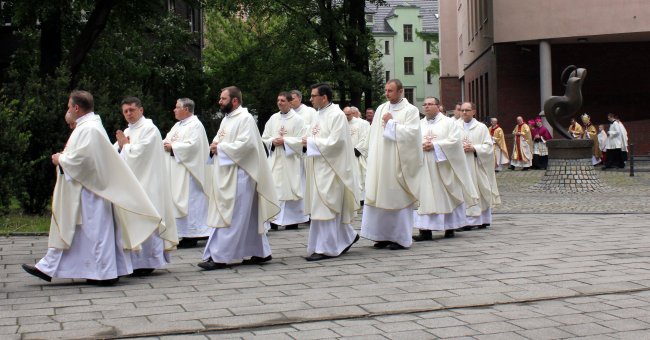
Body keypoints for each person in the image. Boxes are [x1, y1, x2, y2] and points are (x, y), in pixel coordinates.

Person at [22, 90, 161, 285]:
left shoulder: (90, 129)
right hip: (86, 189)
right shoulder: (87, 126)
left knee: (96, 233)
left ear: (76, 108)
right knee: (82, 233)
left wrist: (61, 158)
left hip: (92, 192)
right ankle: (52, 267)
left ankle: (104, 273)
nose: (68, 110)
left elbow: (84, 160)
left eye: (69, 106)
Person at [200, 86, 280, 270]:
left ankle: (221, 256)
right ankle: (261, 252)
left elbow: (248, 145)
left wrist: (219, 148)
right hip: (227, 173)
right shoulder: (227, 120)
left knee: (234, 215)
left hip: (242, 174)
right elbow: (220, 141)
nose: (219, 102)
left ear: (234, 100)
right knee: (248, 216)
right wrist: (214, 147)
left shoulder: (245, 118)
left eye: (223, 99)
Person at [114, 97, 178, 276]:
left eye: (131, 110)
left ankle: (149, 261)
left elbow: (141, 155)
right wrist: (121, 148)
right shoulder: (128, 130)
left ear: (141, 110)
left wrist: (125, 147)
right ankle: (135, 261)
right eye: (125, 111)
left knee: (147, 217)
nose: (128, 114)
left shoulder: (150, 129)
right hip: (134, 183)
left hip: (149, 182)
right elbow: (118, 152)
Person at [361, 79, 422, 250]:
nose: (386, 94)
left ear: (400, 91)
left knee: (397, 197)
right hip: (381, 161)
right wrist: (371, 155)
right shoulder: (381, 108)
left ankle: (400, 238)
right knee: (381, 196)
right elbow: (374, 134)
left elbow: (412, 135)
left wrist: (391, 124)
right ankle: (382, 236)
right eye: (386, 90)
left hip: (398, 162)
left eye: (390, 91)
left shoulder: (411, 110)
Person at [301, 83, 360, 261]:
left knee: (327, 205)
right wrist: (306, 141)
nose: (310, 99)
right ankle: (347, 236)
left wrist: (310, 142)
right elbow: (314, 136)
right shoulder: (318, 115)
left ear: (324, 97)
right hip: (318, 165)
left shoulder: (336, 115)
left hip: (332, 168)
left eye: (313, 96)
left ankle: (326, 248)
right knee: (320, 205)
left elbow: (337, 142)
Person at [413, 97, 478, 241]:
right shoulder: (419, 124)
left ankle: (450, 227)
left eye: (430, 104)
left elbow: (455, 142)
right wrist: (421, 145)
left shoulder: (449, 123)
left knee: (447, 195)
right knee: (425, 196)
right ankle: (425, 230)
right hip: (424, 165)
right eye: (425, 104)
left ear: (438, 106)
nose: (427, 107)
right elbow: (413, 141)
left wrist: (435, 145)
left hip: (443, 166)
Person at [163, 98, 211, 248]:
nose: (174, 110)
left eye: (177, 107)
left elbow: (193, 146)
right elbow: (167, 140)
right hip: (177, 170)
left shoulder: (195, 125)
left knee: (191, 201)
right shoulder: (177, 125)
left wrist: (173, 147)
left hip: (190, 171)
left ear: (187, 109)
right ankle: (183, 233)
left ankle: (193, 234)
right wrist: (166, 144)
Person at [261, 92, 309, 231]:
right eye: (278, 100)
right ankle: (274, 219)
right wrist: (272, 141)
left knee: (292, 188)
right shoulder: (273, 118)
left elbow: (302, 140)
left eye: (282, 100)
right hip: (276, 158)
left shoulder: (298, 120)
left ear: (289, 103)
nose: (279, 102)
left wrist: (285, 141)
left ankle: (293, 220)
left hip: (291, 160)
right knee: (275, 187)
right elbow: (265, 136)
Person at [459, 102, 501, 229]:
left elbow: (488, 147)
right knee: (465, 190)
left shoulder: (481, 127)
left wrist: (474, 148)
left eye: (467, 110)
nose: (464, 112)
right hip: (462, 164)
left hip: (477, 163)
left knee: (480, 190)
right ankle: (468, 219)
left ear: (474, 112)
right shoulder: (455, 126)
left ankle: (480, 219)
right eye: (462, 110)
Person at [345, 106, 371, 203]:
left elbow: (366, 137)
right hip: (346, 155)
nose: (346, 116)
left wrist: (357, 150)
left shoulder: (362, 123)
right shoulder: (342, 123)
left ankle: (361, 198)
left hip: (358, 154)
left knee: (360, 176)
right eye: (345, 114)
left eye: (348, 114)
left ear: (353, 113)